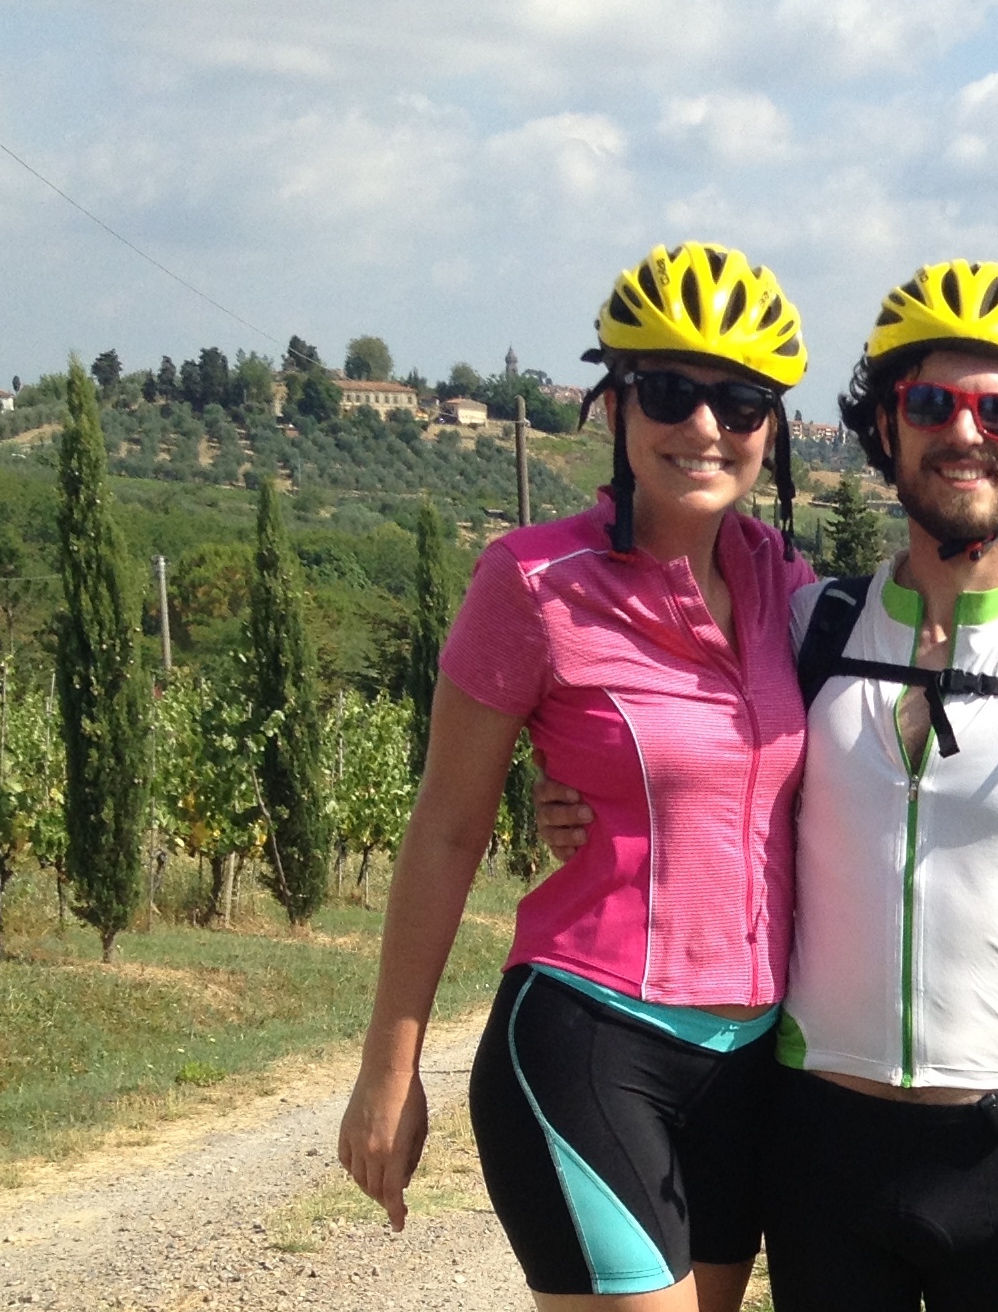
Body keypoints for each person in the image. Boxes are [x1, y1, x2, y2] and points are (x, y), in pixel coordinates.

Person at [542, 259, 998, 1309]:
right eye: (928, 402)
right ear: (884, 428)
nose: (963, 431)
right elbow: (664, 740)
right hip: (818, 1150)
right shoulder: (802, 627)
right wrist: (566, 784)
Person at [338, 241, 816, 1312]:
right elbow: (447, 827)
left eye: (739, 404)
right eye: (669, 392)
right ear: (615, 408)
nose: (704, 427)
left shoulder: (789, 590)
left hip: (750, 1063)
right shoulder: (532, 583)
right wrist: (388, 1067)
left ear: (771, 429)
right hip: (589, 1038)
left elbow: (920, 646)